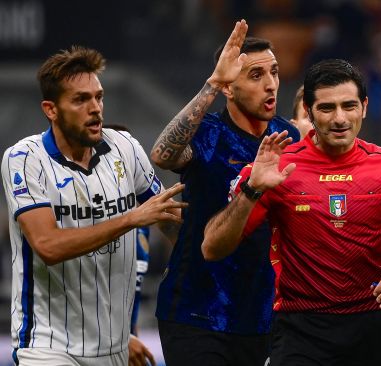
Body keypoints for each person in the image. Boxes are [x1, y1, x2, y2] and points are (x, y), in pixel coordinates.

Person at [201, 58, 381, 366]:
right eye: (327, 108)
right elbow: (212, 247)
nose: (340, 118)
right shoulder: (275, 167)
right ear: (309, 112)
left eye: (349, 106)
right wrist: (252, 190)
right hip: (300, 329)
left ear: (365, 107)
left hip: (371, 326)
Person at [1, 46, 185, 366]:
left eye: (98, 97)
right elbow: (48, 245)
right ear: (51, 109)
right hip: (47, 346)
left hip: (113, 348)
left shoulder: (124, 147)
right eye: (80, 99)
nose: (96, 108)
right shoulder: (25, 158)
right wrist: (130, 219)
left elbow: (169, 218)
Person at [149, 20, 299, 366]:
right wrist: (214, 82)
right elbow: (161, 155)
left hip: (263, 313)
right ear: (230, 89)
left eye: (274, 72)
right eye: (256, 76)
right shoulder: (208, 133)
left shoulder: (287, 137)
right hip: (196, 312)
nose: (271, 84)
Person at [102, 124, 157, 366]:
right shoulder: (92, 226)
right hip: (94, 345)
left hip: (125, 347)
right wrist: (121, 338)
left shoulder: (142, 224)